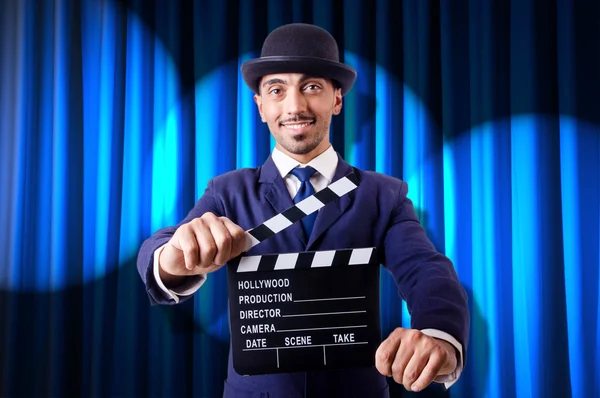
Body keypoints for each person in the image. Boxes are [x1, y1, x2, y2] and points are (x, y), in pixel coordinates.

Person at [137, 22, 469, 398]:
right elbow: (161, 248)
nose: (294, 106)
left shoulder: (382, 195)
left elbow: (425, 269)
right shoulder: (228, 190)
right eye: (276, 90)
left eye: (312, 87)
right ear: (261, 106)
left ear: (338, 99)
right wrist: (173, 257)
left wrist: (439, 334)